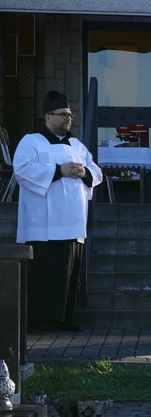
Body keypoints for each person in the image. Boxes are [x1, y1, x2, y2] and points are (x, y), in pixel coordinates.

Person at [14, 90, 104, 332]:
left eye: (70, 115)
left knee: (68, 272)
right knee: (45, 272)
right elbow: (22, 170)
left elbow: (97, 172)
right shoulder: (31, 141)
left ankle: (64, 319)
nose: (68, 118)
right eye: (63, 114)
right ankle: (37, 320)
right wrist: (59, 170)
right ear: (47, 117)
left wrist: (85, 173)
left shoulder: (77, 145)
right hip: (43, 223)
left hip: (73, 221)